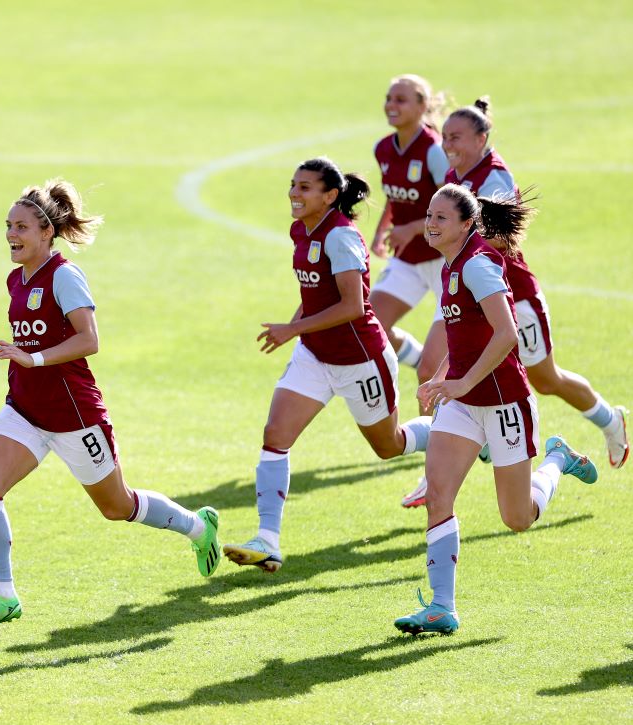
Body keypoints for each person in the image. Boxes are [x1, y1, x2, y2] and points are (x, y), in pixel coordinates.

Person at [0, 179, 220, 634]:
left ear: (46, 232)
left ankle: (198, 528)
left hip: (73, 415)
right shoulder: (15, 278)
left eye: (20, 226)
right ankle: (3, 596)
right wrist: (26, 363)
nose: (10, 234)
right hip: (23, 408)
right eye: (7, 225)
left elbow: (89, 340)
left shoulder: (64, 275)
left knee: (117, 507)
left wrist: (33, 356)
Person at [394, 184, 597, 635]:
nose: (430, 222)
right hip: (464, 404)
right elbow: (467, 336)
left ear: (467, 224)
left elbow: (508, 334)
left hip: (505, 401)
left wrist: (463, 379)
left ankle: (558, 459)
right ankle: (442, 607)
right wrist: (443, 376)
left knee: (517, 518)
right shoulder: (450, 266)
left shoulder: (479, 265)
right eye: (429, 214)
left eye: (441, 218)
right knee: (439, 497)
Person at [222, 157, 432, 574]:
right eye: (293, 185)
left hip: (361, 361)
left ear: (329, 196)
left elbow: (354, 306)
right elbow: (314, 292)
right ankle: (267, 540)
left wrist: (292, 328)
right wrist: (297, 329)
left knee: (388, 446)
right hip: (315, 355)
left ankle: (450, 431)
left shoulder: (341, 238)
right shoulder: (301, 229)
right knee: (275, 434)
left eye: (305, 188)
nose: (294, 195)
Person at [442, 98, 627, 470]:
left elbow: (503, 238)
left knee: (546, 379)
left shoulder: (493, 178)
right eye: (444, 137)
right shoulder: (455, 178)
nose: (447, 145)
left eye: (456, 137)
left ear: (482, 138)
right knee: (453, 369)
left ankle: (611, 420)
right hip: (470, 298)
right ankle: (440, 477)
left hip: (513, 297)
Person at [369, 74, 450, 385]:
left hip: (445, 262)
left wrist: (412, 229)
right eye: (389, 98)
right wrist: (381, 231)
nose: (391, 105)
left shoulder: (433, 150)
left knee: (434, 371)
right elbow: (395, 195)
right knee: (369, 327)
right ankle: (417, 359)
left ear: (422, 106)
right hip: (408, 258)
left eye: (400, 100)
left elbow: (454, 207)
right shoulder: (383, 149)